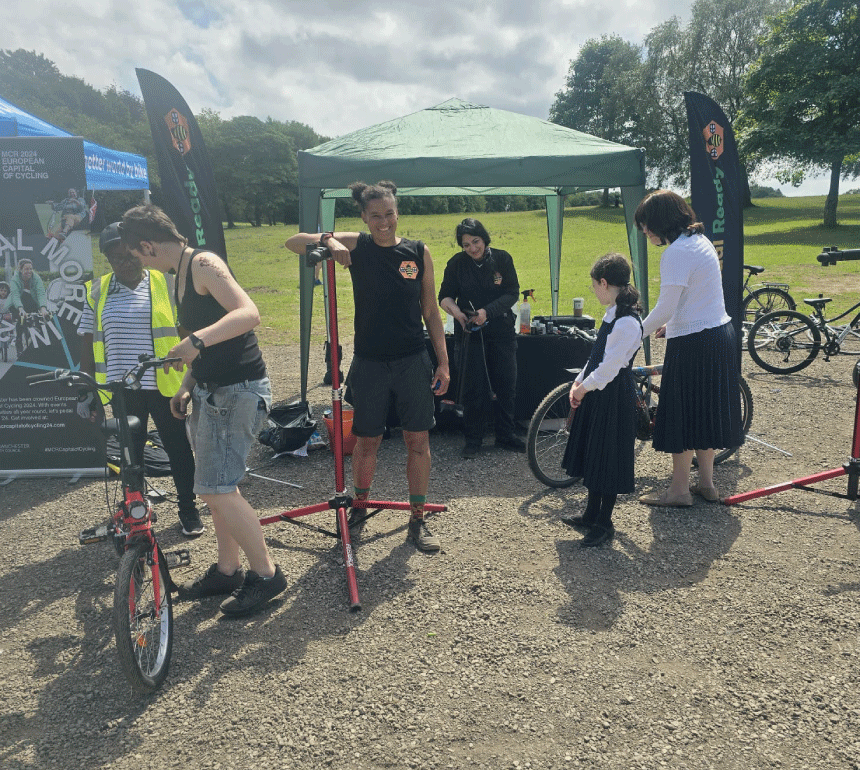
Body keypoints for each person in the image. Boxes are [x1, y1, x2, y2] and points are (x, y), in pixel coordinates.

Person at [120, 204, 287, 617]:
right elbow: (209, 343)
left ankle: (266, 575)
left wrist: (196, 341)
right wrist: (187, 383)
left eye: (137, 255)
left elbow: (249, 314)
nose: (139, 263)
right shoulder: (178, 276)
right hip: (212, 392)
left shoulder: (204, 263)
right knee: (215, 489)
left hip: (238, 391)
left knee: (217, 488)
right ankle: (228, 570)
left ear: (146, 244)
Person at [285, 180, 450, 552]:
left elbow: (430, 311)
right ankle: (358, 510)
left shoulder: (418, 252)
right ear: (364, 216)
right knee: (366, 441)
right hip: (371, 363)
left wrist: (443, 362)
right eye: (375, 215)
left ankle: (418, 519)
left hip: (412, 360)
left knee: (417, 440)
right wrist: (329, 240)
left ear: (397, 212)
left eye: (389, 213)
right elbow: (294, 242)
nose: (383, 221)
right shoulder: (358, 244)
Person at [76, 223, 203, 537]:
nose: (124, 262)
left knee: (178, 450)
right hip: (122, 389)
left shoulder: (167, 282)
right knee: (131, 454)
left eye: (128, 255)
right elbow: (86, 341)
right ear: (107, 257)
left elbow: (188, 333)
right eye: (115, 257)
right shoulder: (96, 290)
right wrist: (86, 390)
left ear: (138, 251)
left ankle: (188, 509)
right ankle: (137, 509)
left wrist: (193, 377)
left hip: (164, 386)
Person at [634, 190, 743, 506]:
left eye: (645, 225)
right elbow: (699, 296)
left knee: (682, 415)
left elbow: (666, 307)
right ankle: (707, 484)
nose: (644, 232)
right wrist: (672, 325)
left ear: (658, 223)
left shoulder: (677, 252)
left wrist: (634, 333)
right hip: (718, 334)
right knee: (705, 413)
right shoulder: (701, 241)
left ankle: (679, 491)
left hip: (695, 343)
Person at [559, 254, 642, 547]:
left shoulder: (628, 322)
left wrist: (584, 388)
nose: (594, 290)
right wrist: (578, 381)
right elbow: (596, 357)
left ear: (605, 283)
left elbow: (609, 368)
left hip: (613, 398)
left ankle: (605, 522)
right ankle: (590, 513)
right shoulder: (612, 313)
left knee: (608, 459)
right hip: (597, 393)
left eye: (595, 285)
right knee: (595, 455)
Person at [438, 218, 524, 458]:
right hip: (469, 335)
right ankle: (473, 439)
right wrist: (459, 314)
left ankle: (505, 435)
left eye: (475, 242)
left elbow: (512, 292)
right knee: (473, 387)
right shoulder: (456, 264)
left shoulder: (503, 258)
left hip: (501, 331)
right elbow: (444, 297)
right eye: (466, 245)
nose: (472, 248)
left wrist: (488, 312)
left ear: (484, 238)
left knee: (506, 384)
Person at [10, 258, 50, 357]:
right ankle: (19, 345)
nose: (29, 271)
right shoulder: (15, 279)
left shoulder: (36, 278)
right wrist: (20, 309)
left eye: (30, 269)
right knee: (20, 323)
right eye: (26, 269)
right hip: (18, 304)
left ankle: (40, 346)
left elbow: (40, 293)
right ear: (20, 269)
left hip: (32, 303)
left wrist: (43, 308)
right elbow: (15, 295)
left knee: (40, 321)